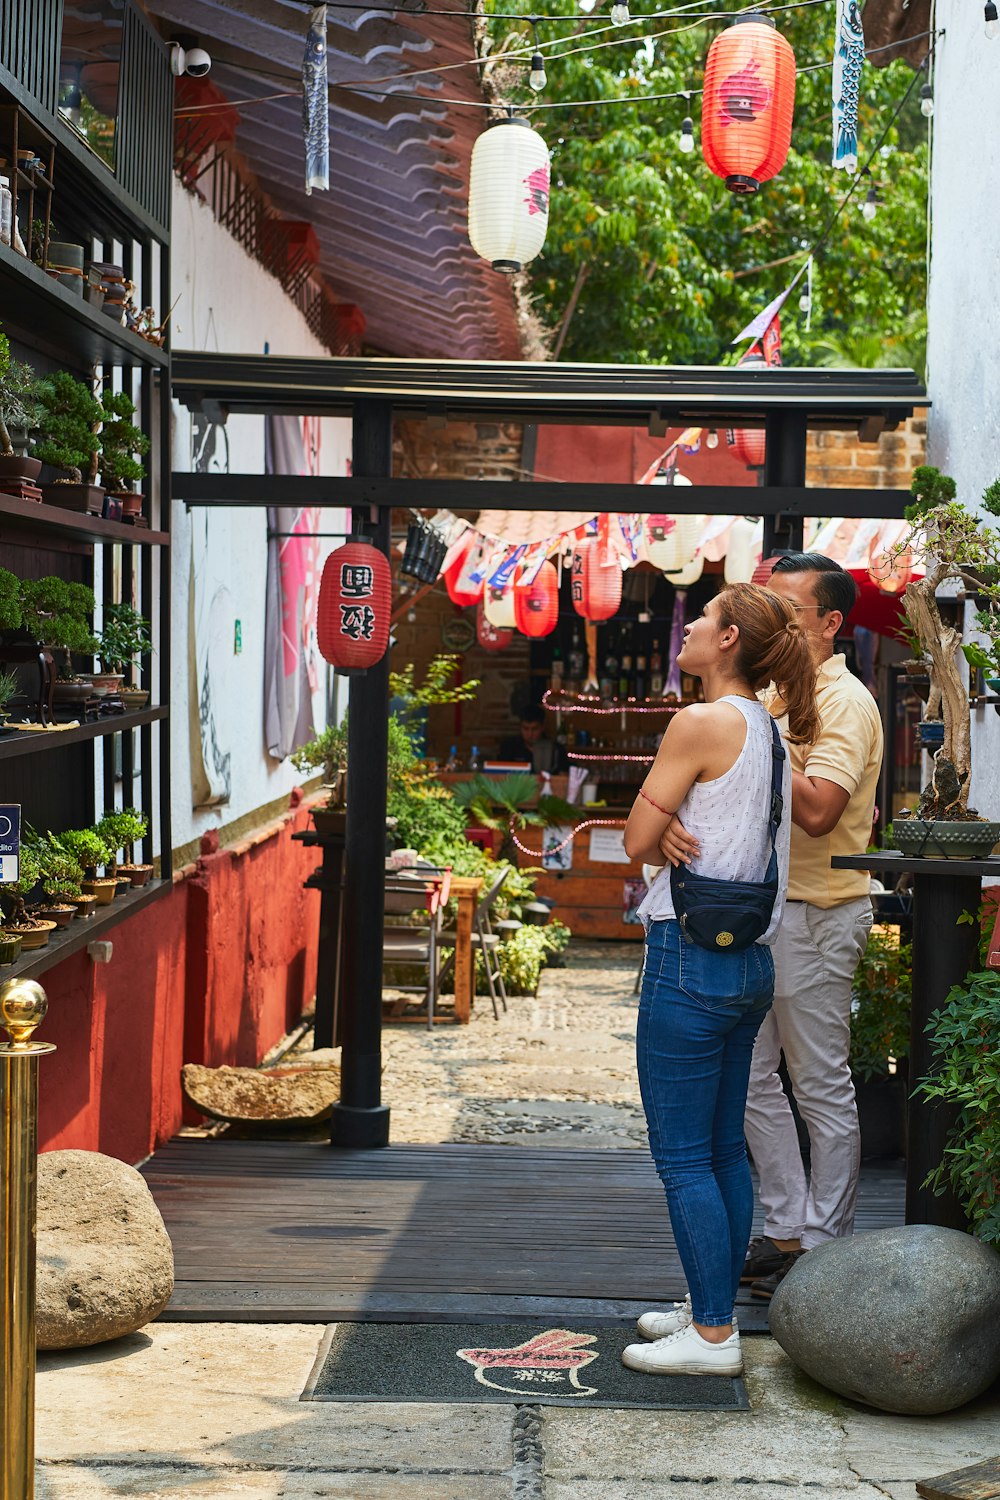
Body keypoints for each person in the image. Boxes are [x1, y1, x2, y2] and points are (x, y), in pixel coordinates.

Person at [659, 554, 883, 1301]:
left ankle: (825, 1245)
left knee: (819, 1083)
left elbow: (817, 809)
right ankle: (785, 1228)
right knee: (752, 1081)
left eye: (788, 609)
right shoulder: (777, 700)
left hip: (820, 912)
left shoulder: (842, 701)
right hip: (762, 915)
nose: (775, 623)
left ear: (828, 624)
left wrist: (757, 744)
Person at [620, 583, 819, 1377]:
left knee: (682, 1157)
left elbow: (637, 836)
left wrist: (660, 823)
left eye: (701, 620)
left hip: (687, 956)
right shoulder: (767, 729)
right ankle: (710, 1306)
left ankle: (712, 1337)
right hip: (749, 964)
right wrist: (669, 824)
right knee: (722, 1151)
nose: (690, 629)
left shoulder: (699, 722)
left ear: (729, 638)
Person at [499, 705, 561, 773]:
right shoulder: (509, 746)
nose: (530, 734)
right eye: (526, 729)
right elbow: (498, 774)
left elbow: (564, 775)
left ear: (543, 727)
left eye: (534, 729)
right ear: (520, 727)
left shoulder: (556, 748)